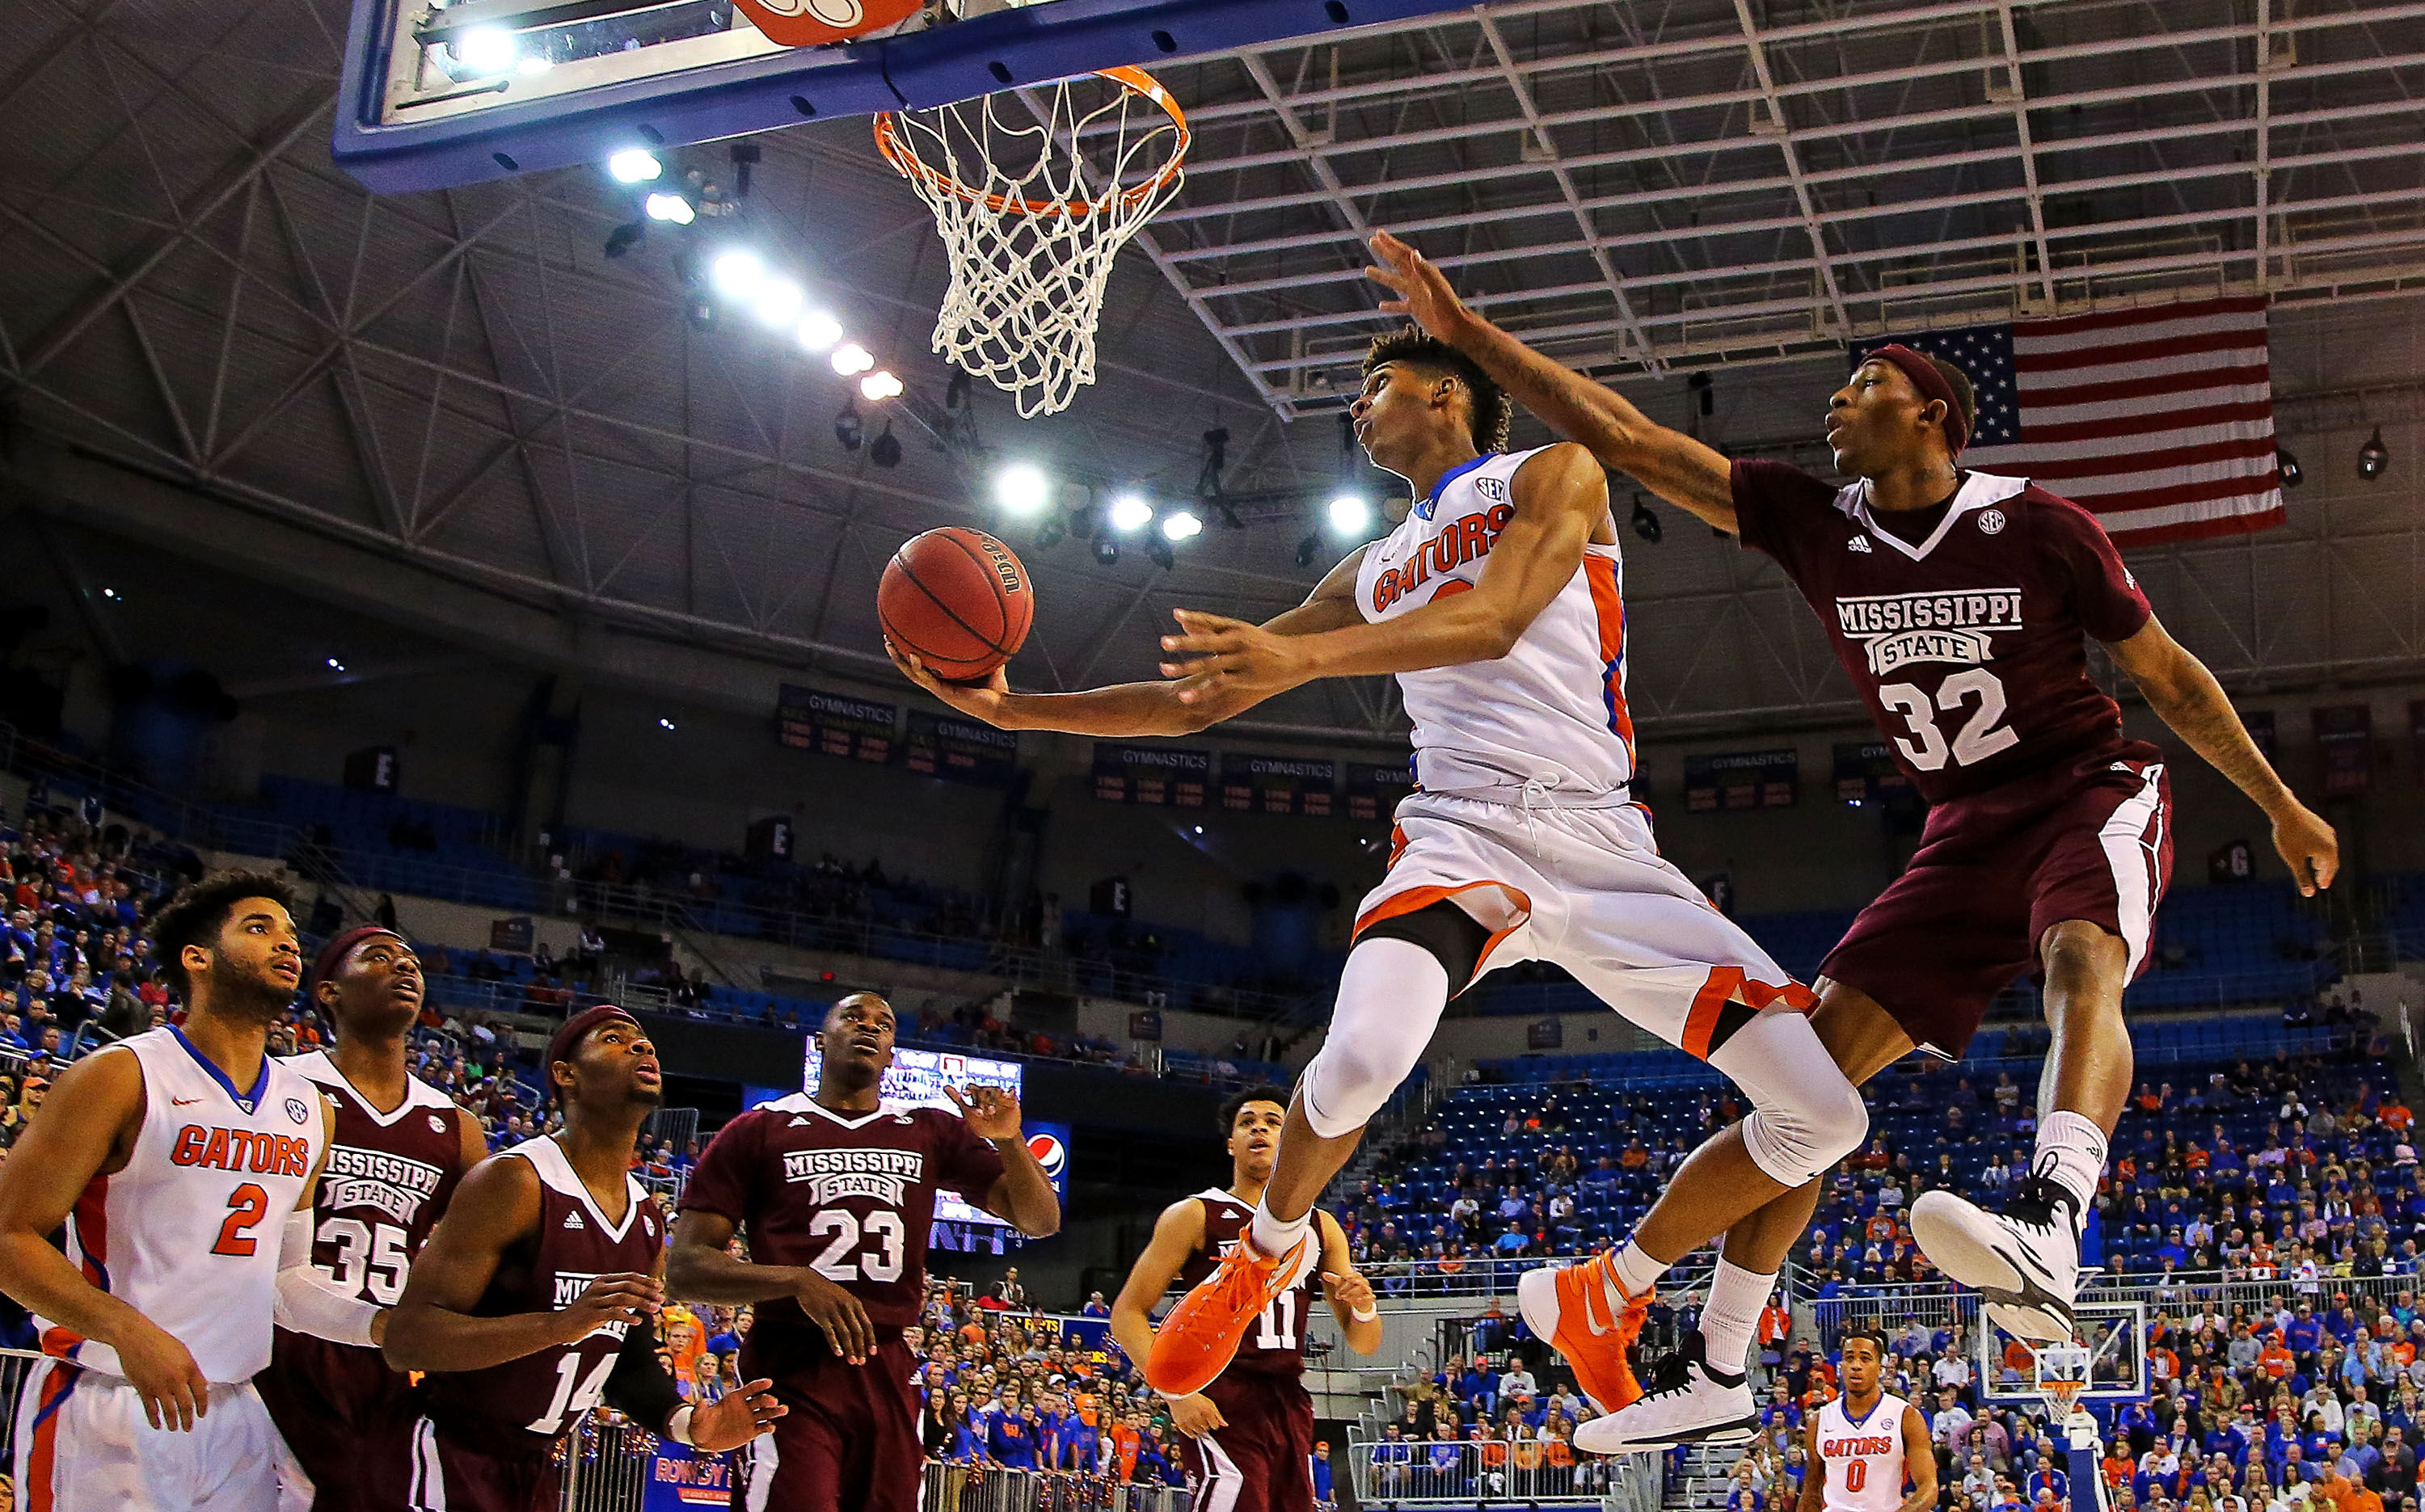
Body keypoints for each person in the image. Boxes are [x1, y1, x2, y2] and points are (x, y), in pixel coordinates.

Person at [1366, 230, 2340, 1436]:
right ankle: (1702, 1357)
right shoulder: (1819, 522)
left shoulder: (2041, 526)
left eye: (1863, 384)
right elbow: (1627, 440)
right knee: (1806, 1091)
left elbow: (2174, 678)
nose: (1837, 400)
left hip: (2086, 789)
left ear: (1930, 413)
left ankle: (2052, 1215)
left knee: (2082, 958)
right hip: (1957, 832)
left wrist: (2277, 801)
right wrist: (1471, 338)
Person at [896, 322, 1862, 1436]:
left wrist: (1301, 655)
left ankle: (1611, 1289)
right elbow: (1201, 700)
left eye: (1377, 384)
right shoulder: (1370, 568)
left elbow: (1498, 621)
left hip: (1601, 844)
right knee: (1356, 1063)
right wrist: (1021, 711)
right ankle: (1266, 1254)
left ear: (1447, 397)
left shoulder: (1555, 472)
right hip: (1457, 835)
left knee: (1823, 1116)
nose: (1357, 409)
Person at [0, 873, 363, 1512]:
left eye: (291, 936)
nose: (287, 946)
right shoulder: (120, 1075)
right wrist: (127, 1330)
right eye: (259, 928)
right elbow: (8, 1238)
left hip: (237, 1409)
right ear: (197, 958)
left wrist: (383, 1326)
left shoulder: (310, 1107)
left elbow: (289, 1278)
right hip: (111, 1397)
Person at [666, 992, 1061, 1512]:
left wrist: (1009, 1141)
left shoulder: (928, 1129)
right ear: (821, 1041)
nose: (869, 1027)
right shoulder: (760, 1128)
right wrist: (796, 1281)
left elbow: (1040, 1220)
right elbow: (686, 1268)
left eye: (884, 1023)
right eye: (853, 1017)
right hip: (792, 1360)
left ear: (892, 1053)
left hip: (889, 1362)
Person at [379, 1006, 782, 1509]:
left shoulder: (646, 1217)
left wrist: (691, 1423)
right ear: (566, 1075)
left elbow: (626, 1357)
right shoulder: (515, 1181)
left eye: (645, 1041)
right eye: (615, 1039)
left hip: (537, 1466)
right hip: (450, 1450)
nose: (643, 1047)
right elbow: (408, 1340)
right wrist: (559, 1326)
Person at [258, 925, 487, 1512]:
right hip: (273, 1344)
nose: (404, 968)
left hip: (385, 1358)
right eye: (380, 958)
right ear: (329, 991)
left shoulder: (453, 1123)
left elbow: (489, 1254)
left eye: (411, 960)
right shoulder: (281, 1084)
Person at [1110, 1087, 1384, 1512]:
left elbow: (1364, 1343)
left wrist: (1363, 1305)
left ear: (1290, 1139)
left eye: (1274, 1122)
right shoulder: (1196, 1214)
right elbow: (1127, 1313)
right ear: (1231, 1144)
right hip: (1220, 1390)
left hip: (1288, 1396)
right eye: (1247, 1121)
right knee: (1235, 1498)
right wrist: (1177, 1394)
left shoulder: (1321, 1226)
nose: (1260, 1127)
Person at [1801, 1329, 1934, 1512]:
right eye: (1849, 1358)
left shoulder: (1905, 1416)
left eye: (1865, 1359)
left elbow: (1928, 1485)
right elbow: (1811, 1492)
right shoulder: (1819, 1420)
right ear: (1841, 1366)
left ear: (1880, 1368)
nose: (1856, 1365)